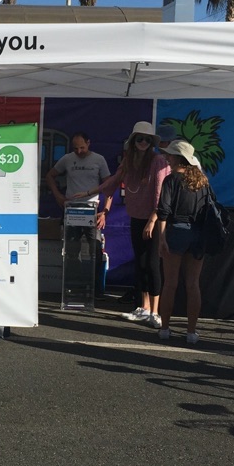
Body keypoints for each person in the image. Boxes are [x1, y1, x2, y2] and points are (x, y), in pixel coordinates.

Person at [87, 122, 170, 328]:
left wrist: (153, 220)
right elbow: (114, 181)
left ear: (152, 143)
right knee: (140, 264)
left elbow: (160, 195)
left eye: (147, 140)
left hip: (154, 220)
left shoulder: (158, 161)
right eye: (139, 139)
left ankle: (156, 312)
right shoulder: (129, 161)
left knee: (152, 265)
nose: (143, 142)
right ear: (133, 141)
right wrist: (89, 193)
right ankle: (143, 307)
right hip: (137, 218)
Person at [156, 139, 211, 345]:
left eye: (170, 155)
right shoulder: (202, 180)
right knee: (192, 284)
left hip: (176, 231)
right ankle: (191, 332)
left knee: (170, 283)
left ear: (178, 158)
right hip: (198, 233)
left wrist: (161, 238)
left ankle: (165, 329)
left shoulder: (171, 180)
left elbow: (163, 212)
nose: (167, 157)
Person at [46, 133, 112, 284]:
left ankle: (93, 287)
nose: (79, 151)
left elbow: (109, 186)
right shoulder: (68, 159)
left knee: (94, 249)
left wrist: (104, 212)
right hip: (72, 209)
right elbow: (50, 176)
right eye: (76, 148)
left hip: (92, 209)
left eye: (82, 147)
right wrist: (58, 196)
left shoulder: (99, 159)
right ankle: (74, 284)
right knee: (71, 250)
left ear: (89, 143)